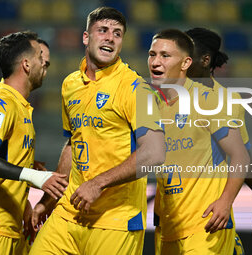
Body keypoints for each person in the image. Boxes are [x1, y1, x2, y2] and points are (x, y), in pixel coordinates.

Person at [29, 7, 165, 255]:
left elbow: (154, 152)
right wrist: (47, 202)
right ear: (86, 37)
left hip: (115, 221)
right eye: (102, 30)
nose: (110, 38)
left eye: (117, 33)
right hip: (69, 214)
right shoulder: (70, 84)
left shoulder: (137, 89)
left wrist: (98, 184)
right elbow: (73, 145)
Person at [0, 31, 68, 255]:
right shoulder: (2, 103)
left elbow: (0, 154)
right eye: (39, 57)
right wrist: (36, 176)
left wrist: (25, 164)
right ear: (26, 64)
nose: (44, 62)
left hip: (6, 225)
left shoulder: (19, 105)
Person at [148, 29, 250, 254]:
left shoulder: (210, 99)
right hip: (168, 225)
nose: (156, 62)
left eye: (165, 56)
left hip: (204, 223)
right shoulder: (154, 103)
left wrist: (225, 201)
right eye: (152, 54)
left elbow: (241, 155)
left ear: (185, 62)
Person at [185, 27, 252, 237]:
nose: (181, 60)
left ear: (205, 60)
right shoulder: (167, 96)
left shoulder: (225, 101)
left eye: (187, 55)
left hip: (206, 217)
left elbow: (242, 157)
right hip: (169, 219)